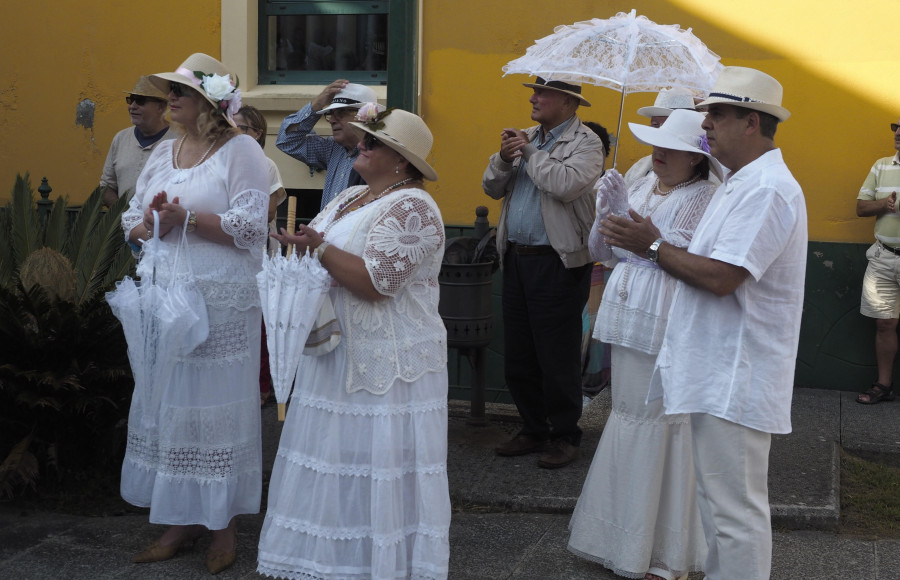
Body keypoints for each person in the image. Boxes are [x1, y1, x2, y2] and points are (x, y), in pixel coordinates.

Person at [600, 66, 807, 580]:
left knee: (734, 514)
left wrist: (649, 245)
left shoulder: (766, 190)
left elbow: (721, 278)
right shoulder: (740, 184)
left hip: (736, 373)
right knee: (719, 510)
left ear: (751, 122)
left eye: (716, 114)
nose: (705, 123)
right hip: (715, 368)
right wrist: (648, 239)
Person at [257, 106, 451, 579]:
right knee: (334, 457)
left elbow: (375, 283)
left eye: (373, 141)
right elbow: (322, 251)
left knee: (376, 462)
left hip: (389, 360)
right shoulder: (351, 196)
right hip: (337, 351)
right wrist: (298, 248)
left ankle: (378, 564)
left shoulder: (414, 208)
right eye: (363, 137)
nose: (360, 145)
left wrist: (317, 249)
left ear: (401, 161)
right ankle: (328, 562)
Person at [119, 53, 270, 575]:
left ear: (208, 101)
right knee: (171, 405)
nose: (169, 97)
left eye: (179, 91)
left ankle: (222, 527)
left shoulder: (240, 149)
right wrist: (149, 224)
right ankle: (180, 519)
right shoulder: (166, 149)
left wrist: (189, 219)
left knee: (214, 407)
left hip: (222, 302)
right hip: (168, 297)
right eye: (168, 91)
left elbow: (252, 226)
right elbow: (132, 218)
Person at [568, 110, 723, 580]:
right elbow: (601, 252)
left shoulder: (705, 196)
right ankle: (621, 537)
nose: (659, 154)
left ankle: (665, 552)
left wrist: (639, 233)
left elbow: (685, 255)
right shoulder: (639, 186)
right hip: (628, 313)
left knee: (662, 419)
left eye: (673, 148)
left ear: (696, 159)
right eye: (657, 144)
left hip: (667, 315)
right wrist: (607, 210)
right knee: (630, 414)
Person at [482, 76, 604, 469]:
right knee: (520, 352)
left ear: (568, 102)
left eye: (543, 94)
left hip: (558, 260)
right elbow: (491, 188)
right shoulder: (527, 136)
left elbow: (564, 185)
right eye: (534, 93)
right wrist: (503, 158)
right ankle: (533, 427)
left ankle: (565, 434)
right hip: (517, 256)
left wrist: (531, 152)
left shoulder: (587, 143)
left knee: (557, 353)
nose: (533, 99)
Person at [233, 104, 288, 407]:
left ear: (256, 133)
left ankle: (262, 386)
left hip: (260, 256)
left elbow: (267, 211)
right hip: (232, 254)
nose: (233, 133)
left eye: (240, 128)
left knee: (262, 324)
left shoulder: (265, 164)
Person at [276, 79, 383, 209]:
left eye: (340, 113)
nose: (331, 120)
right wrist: (317, 104)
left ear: (362, 116)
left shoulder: (381, 154)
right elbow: (286, 141)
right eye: (330, 114)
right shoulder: (331, 148)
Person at [854, 118, 900, 404]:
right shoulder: (881, 165)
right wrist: (884, 204)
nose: (899, 134)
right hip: (884, 257)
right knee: (885, 324)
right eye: (897, 128)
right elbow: (860, 207)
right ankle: (884, 385)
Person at [100, 76, 175, 206]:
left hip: (164, 224)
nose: (132, 106)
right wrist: (123, 215)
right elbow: (106, 186)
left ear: (161, 107)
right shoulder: (120, 138)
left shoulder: (180, 140)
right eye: (131, 100)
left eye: (140, 101)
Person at [623, 87, 697, 189]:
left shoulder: (705, 186)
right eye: (655, 125)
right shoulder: (638, 169)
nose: (660, 133)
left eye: (668, 125)